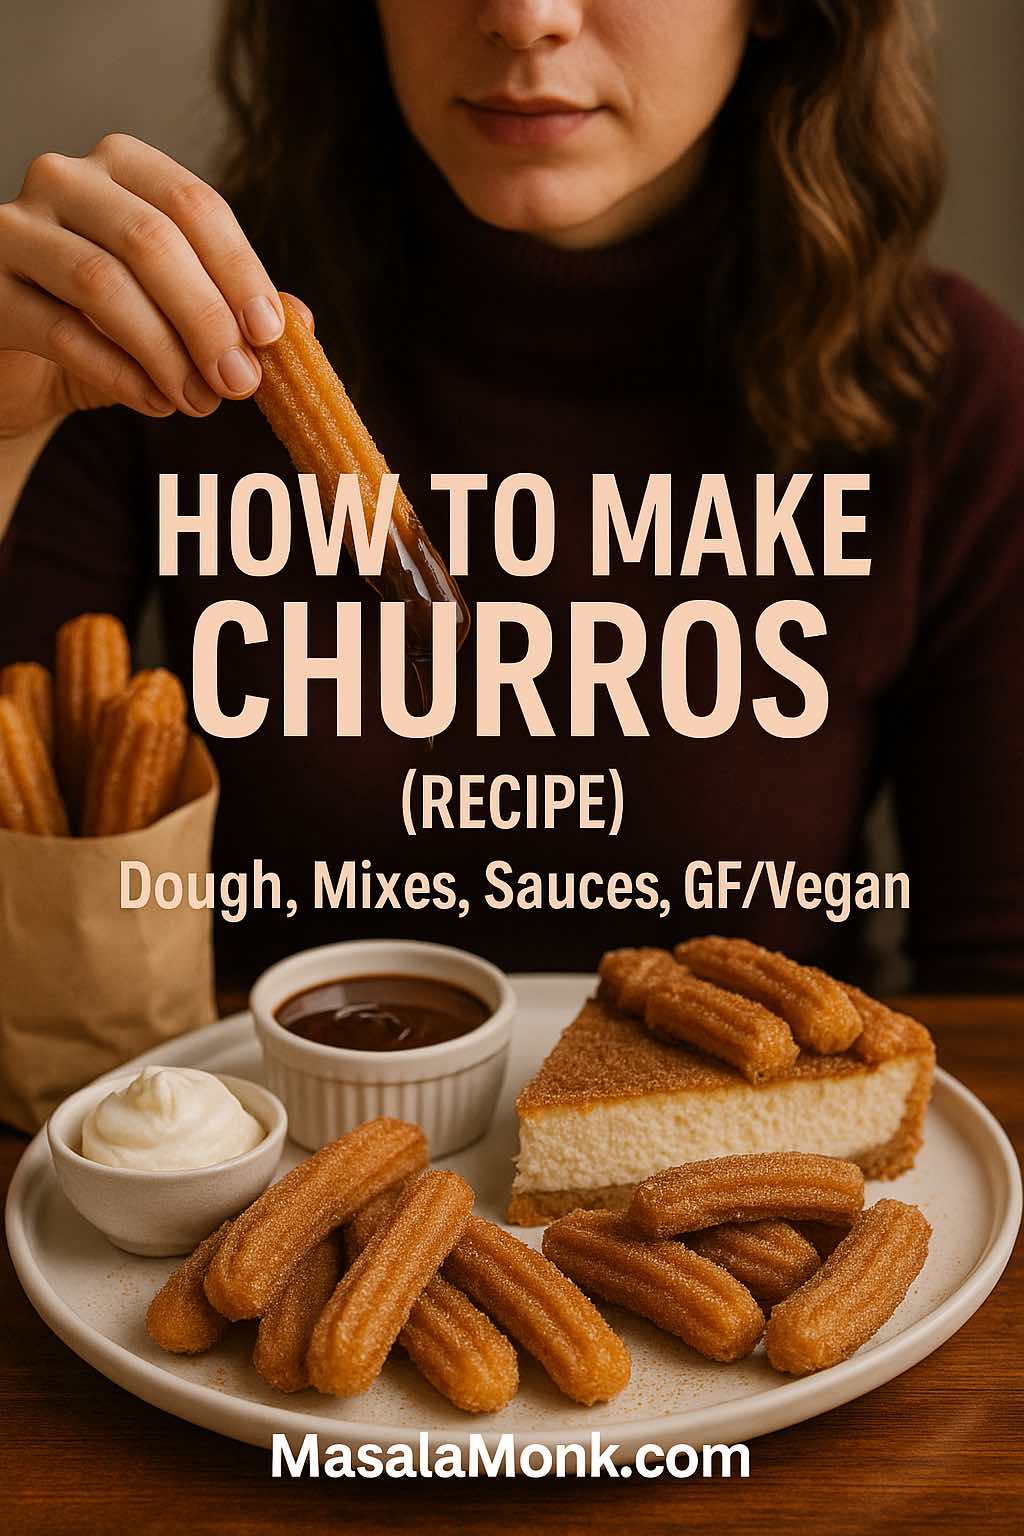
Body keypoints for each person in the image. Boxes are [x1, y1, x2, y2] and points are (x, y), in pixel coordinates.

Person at [0, 0, 1021, 989]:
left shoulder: (952, 393)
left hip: (752, 1150)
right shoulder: (146, 338)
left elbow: (998, 1000)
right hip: (269, 1141)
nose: (524, 16)